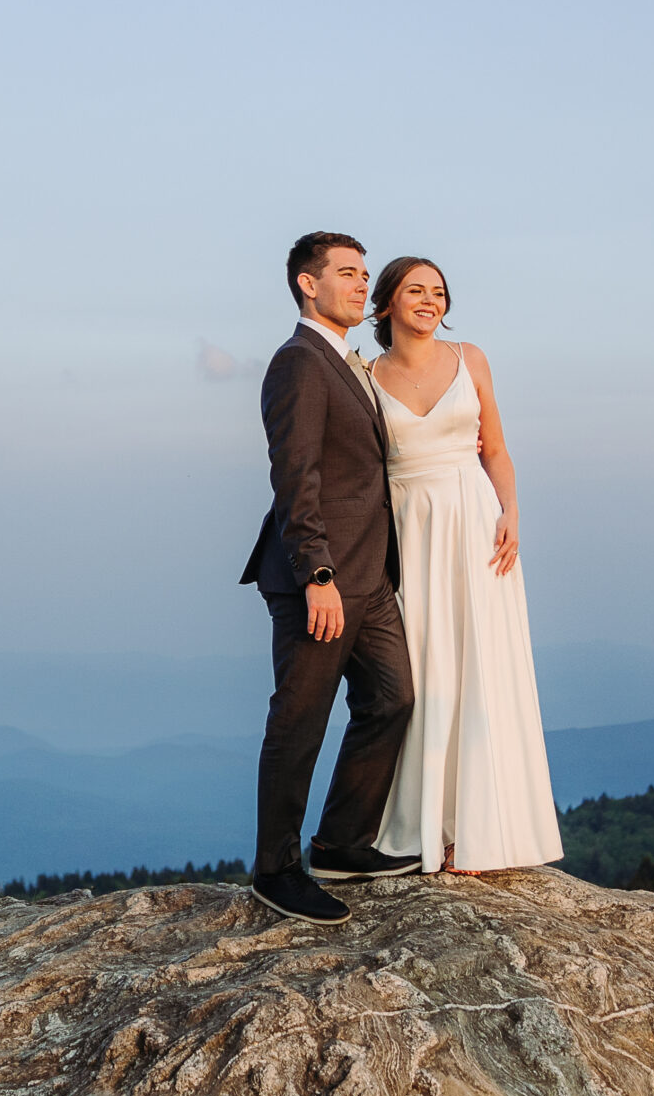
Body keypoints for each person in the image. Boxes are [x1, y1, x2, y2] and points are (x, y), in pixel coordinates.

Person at [239, 233, 424, 925]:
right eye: (346, 273)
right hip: (319, 578)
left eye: (365, 274)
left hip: (369, 577)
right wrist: (316, 571)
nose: (360, 284)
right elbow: (296, 476)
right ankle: (276, 868)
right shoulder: (298, 363)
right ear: (306, 285)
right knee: (300, 720)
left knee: (393, 698)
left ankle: (344, 842)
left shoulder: (348, 363)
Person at [362, 255, 562, 874]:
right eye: (416, 291)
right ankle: (428, 827)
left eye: (440, 292)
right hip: (411, 532)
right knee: (424, 673)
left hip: (477, 529)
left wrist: (511, 514)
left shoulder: (470, 358)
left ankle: (479, 831)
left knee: (481, 667)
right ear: (388, 302)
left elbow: (496, 449)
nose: (430, 301)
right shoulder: (364, 376)